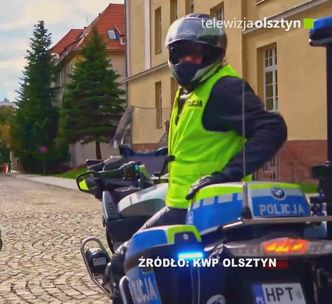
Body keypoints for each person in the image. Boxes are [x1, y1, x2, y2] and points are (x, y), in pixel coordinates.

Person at [105, 13, 288, 302]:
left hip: (200, 209)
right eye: (181, 54)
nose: (188, 62)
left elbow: (271, 128)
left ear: (213, 55)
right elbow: (191, 146)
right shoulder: (189, 95)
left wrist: (224, 176)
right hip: (186, 204)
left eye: (197, 55)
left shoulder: (223, 88)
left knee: (122, 263)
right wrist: (144, 159)